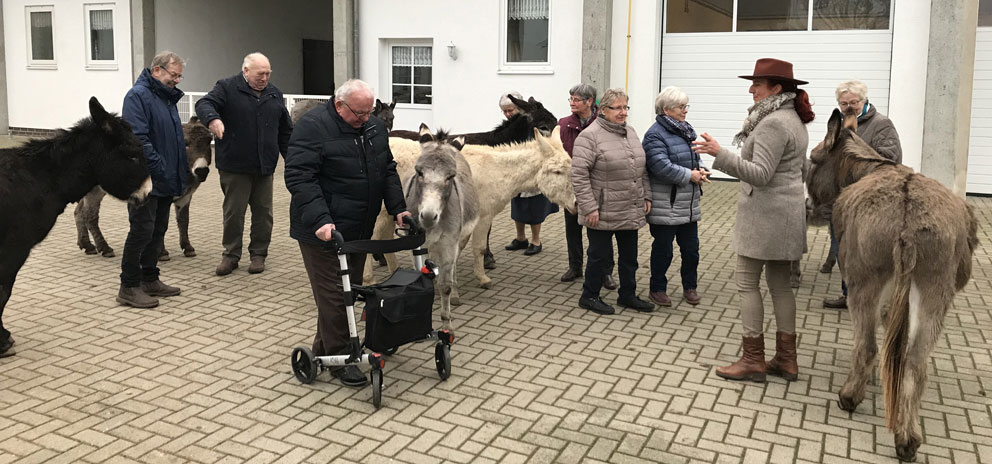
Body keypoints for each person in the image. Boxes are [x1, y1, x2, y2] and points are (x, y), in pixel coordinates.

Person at [692, 58, 814, 383]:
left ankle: (753, 360)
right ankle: (787, 360)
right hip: (786, 216)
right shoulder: (794, 120)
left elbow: (760, 175)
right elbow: (800, 170)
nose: (751, 89)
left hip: (765, 217)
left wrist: (720, 154)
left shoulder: (773, 123)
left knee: (747, 283)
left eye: (757, 84)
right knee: (781, 286)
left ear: (776, 88)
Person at [285, 79, 411, 387]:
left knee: (347, 292)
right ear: (340, 105)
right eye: (359, 113)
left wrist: (399, 208)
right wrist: (321, 221)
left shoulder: (373, 127)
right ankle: (342, 358)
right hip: (321, 231)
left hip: (358, 229)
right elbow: (300, 176)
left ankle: (320, 352)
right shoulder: (312, 127)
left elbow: (387, 169)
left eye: (370, 112)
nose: (366, 118)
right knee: (335, 297)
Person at [196, 53, 293, 276]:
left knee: (264, 213)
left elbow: (285, 130)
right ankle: (231, 255)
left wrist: (293, 159)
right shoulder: (227, 87)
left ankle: (258, 254)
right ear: (246, 71)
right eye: (261, 73)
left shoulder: (274, 93)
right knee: (234, 212)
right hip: (235, 166)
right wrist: (213, 119)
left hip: (265, 166)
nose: (265, 78)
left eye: (268, 73)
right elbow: (204, 103)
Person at [571, 88, 655, 315]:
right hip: (601, 209)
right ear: (603, 110)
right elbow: (578, 175)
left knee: (630, 257)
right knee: (598, 256)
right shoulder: (589, 136)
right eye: (617, 108)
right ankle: (589, 296)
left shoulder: (631, 132)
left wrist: (646, 195)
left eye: (625, 107)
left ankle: (627, 295)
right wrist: (589, 207)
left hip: (630, 206)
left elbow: (641, 167)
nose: (622, 112)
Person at [821, 79, 903, 309]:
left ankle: (871, 300)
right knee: (844, 252)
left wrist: (854, 156)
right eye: (843, 103)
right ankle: (849, 296)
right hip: (842, 199)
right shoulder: (840, 124)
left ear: (863, 101)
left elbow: (891, 157)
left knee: (867, 254)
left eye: (853, 102)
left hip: (870, 200)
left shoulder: (881, 124)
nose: (848, 107)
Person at [117, 51, 188, 309]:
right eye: (174, 75)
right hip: (145, 180)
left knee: (158, 230)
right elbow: (139, 140)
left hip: (164, 179)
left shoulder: (165, 98)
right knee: (141, 231)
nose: (177, 80)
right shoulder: (138, 96)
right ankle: (128, 286)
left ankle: (149, 278)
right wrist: (159, 168)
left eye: (180, 76)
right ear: (157, 70)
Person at [642, 86, 709, 308]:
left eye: (685, 106)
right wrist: (690, 175)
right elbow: (660, 166)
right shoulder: (654, 135)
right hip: (666, 204)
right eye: (682, 107)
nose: (686, 111)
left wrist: (702, 170)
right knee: (664, 251)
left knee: (691, 250)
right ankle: (657, 289)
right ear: (667, 110)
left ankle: (690, 286)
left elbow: (694, 157)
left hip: (688, 205)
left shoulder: (686, 130)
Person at [558, 84, 618, 291]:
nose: (572, 103)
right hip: (572, 185)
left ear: (589, 102)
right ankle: (575, 267)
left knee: (601, 232)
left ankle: (606, 272)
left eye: (576, 99)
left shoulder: (604, 124)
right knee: (572, 229)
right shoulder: (563, 125)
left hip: (599, 186)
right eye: (571, 99)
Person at [503, 92, 559, 256]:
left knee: (534, 206)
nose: (508, 114)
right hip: (516, 172)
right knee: (517, 205)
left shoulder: (537, 124)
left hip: (534, 171)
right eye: (505, 111)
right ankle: (521, 239)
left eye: (510, 110)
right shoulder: (511, 127)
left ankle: (536, 240)